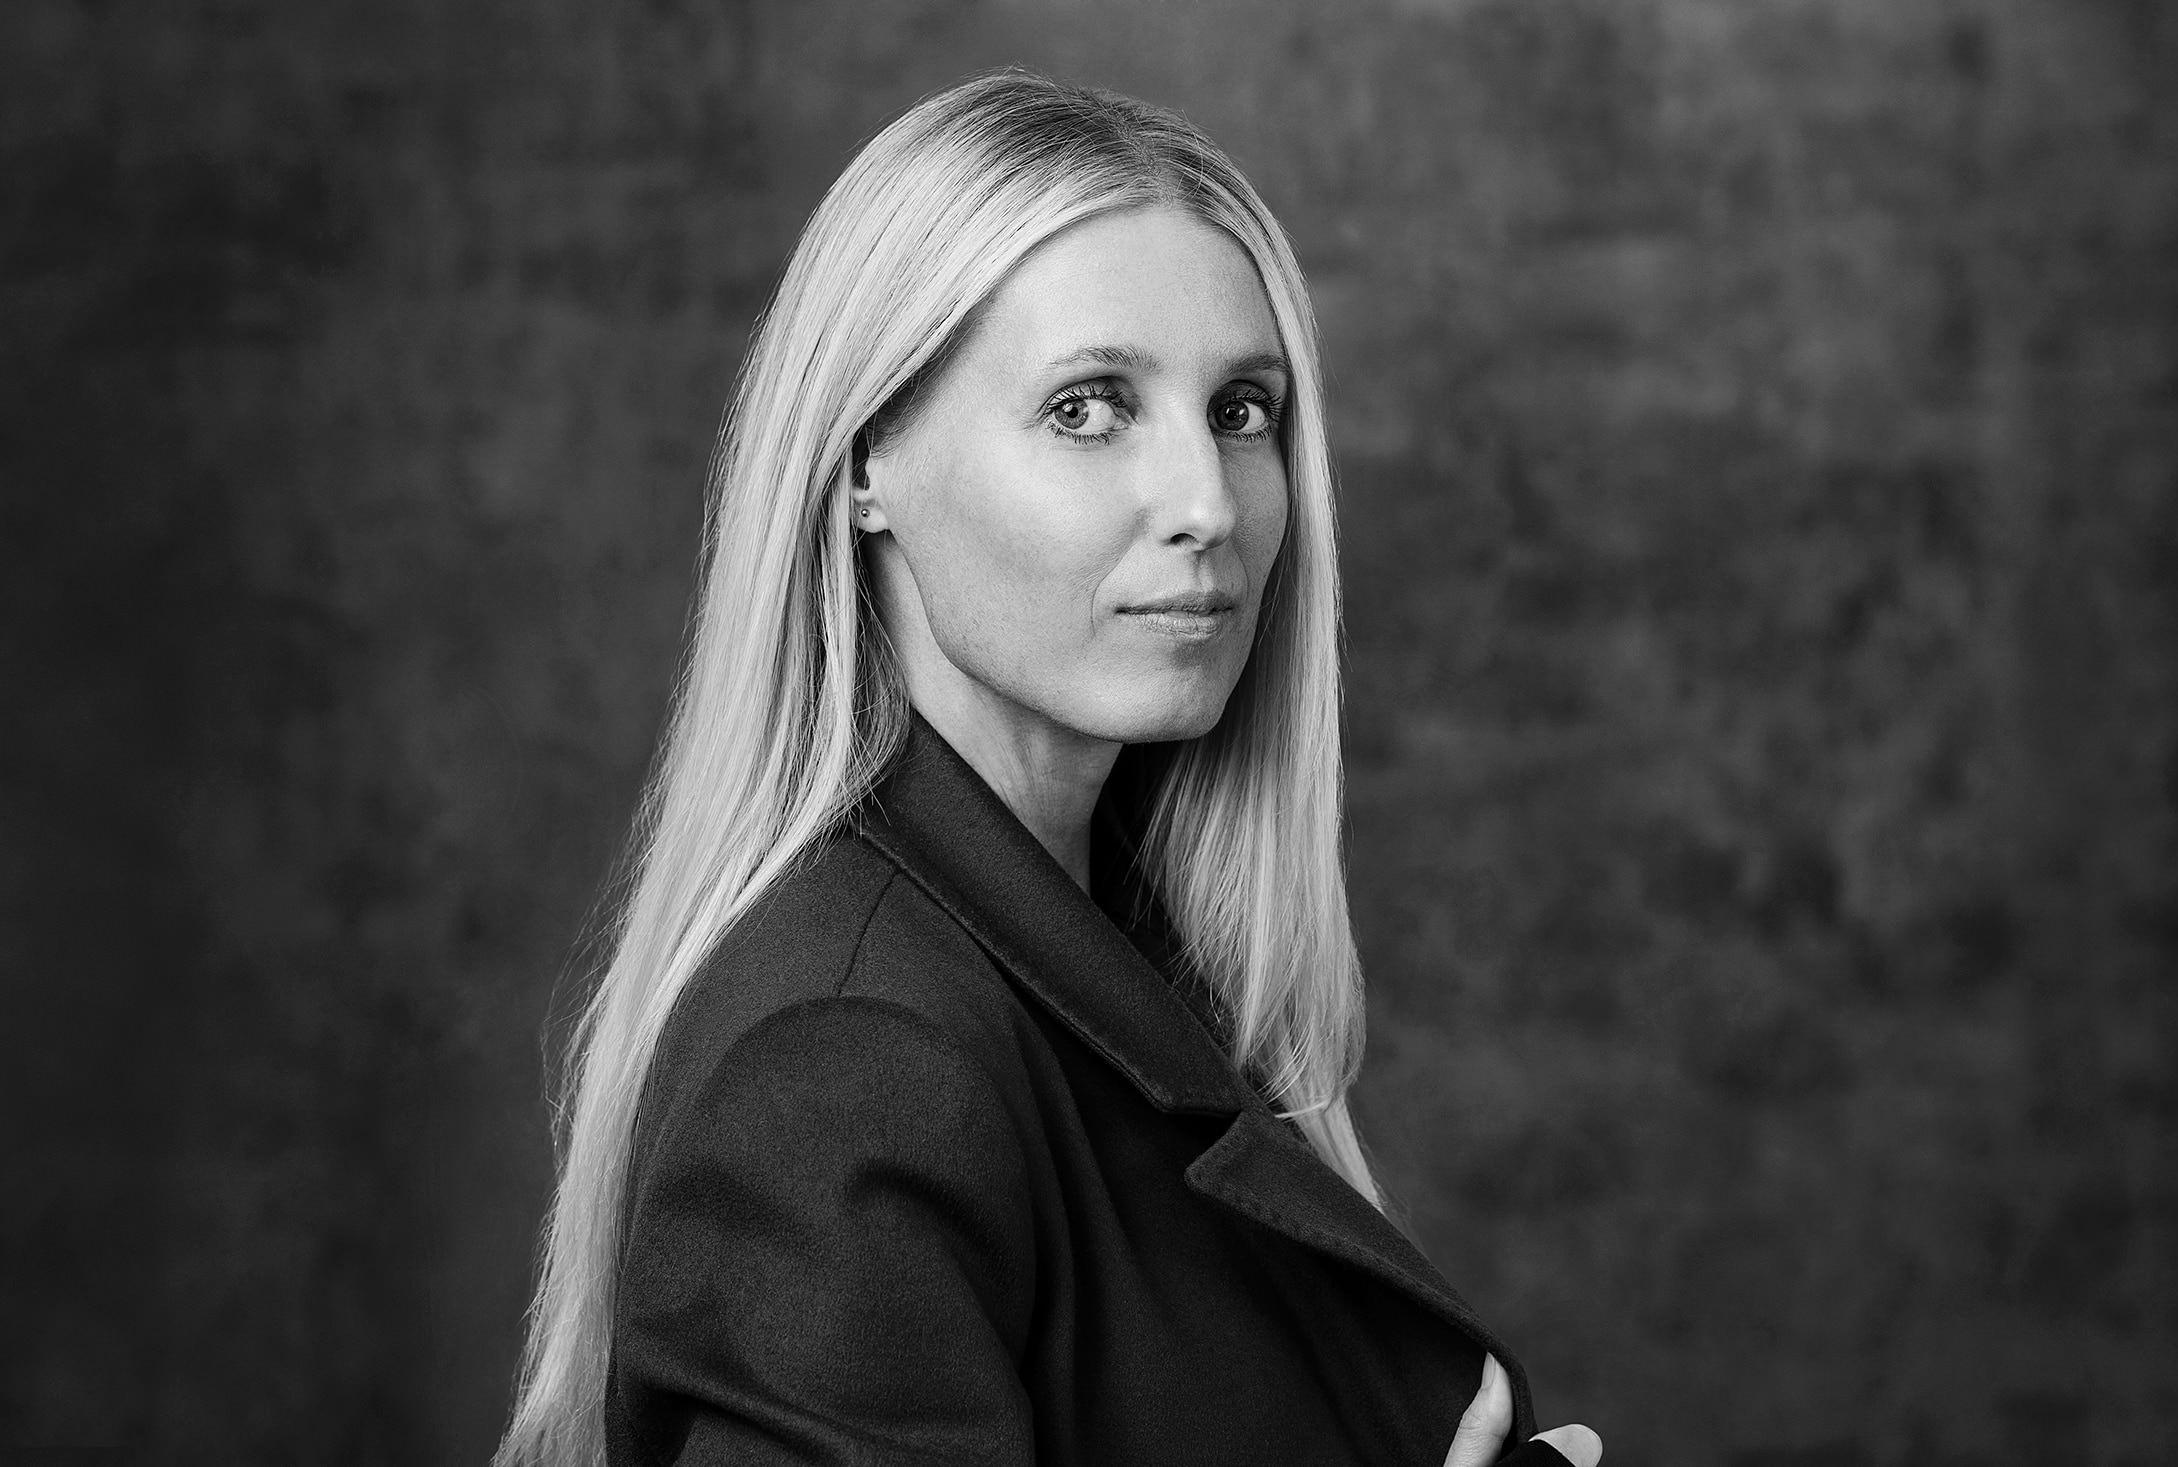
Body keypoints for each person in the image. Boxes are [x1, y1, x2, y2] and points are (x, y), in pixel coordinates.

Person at [495, 69, 1604, 1467]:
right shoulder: (852, 1054)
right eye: (1090, 408)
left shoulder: (1106, 965)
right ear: (864, 464)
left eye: (1243, 411)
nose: (1206, 506)